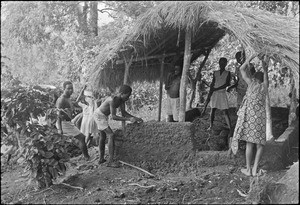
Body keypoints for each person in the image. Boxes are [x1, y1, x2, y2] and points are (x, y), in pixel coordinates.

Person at [230, 51, 269, 177]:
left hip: (250, 119)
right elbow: (266, 73)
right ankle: (255, 168)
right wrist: (264, 64)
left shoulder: (251, 84)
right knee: (260, 144)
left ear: (254, 78)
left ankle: (248, 169)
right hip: (261, 120)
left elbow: (242, 68)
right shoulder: (264, 87)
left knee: (249, 144)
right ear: (262, 79)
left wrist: (250, 57)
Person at [93, 85, 143, 167]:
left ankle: (101, 159)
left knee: (103, 136)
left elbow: (124, 113)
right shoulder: (112, 100)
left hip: (103, 116)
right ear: (122, 93)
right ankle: (110, 161)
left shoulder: (121, 101)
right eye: (127, 96)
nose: (128, 98)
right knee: (111, 135)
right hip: (99, 115)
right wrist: (128, 119)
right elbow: (114, 117)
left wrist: (135, 118)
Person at [56, 81, 90, 161]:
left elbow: (75, 102)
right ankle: (86, 157)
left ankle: (84, 156)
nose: (70, 90)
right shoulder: (61, 100)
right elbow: (58, 115)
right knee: (81, 137)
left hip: (68, 123)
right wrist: (60, 129)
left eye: (71, 88)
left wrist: (82, 91)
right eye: (68, 89)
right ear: (64, 89)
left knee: (78, 139)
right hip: (63, 123)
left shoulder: (67, 98)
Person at [201, 58, 233, 138]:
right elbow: (213, 82)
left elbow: (226, 84)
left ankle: (230, 128)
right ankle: (211, 126)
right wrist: (211, 90)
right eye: (220, 63)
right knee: (213, 110)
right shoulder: (215, 73)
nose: (222, 64)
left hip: (221, 93)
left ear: (226, 63)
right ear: (219, 63)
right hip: (215, 93)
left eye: (223, 63)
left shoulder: (228, 73)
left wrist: (216, 88)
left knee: (225, 111)